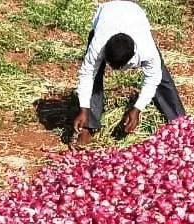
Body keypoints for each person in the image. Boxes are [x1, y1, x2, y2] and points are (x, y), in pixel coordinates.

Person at [73, 0, 186, 145]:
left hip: (135, 16)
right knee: (94, 77)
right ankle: (88, 126)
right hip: (107, 16)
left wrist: (137, 109)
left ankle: (179, 120)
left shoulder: (147, 50)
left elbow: (152, 78)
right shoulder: (97, 46)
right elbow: (86, 74)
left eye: (117, 66)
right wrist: (84, 108)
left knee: (160, 76)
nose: (114, 70)